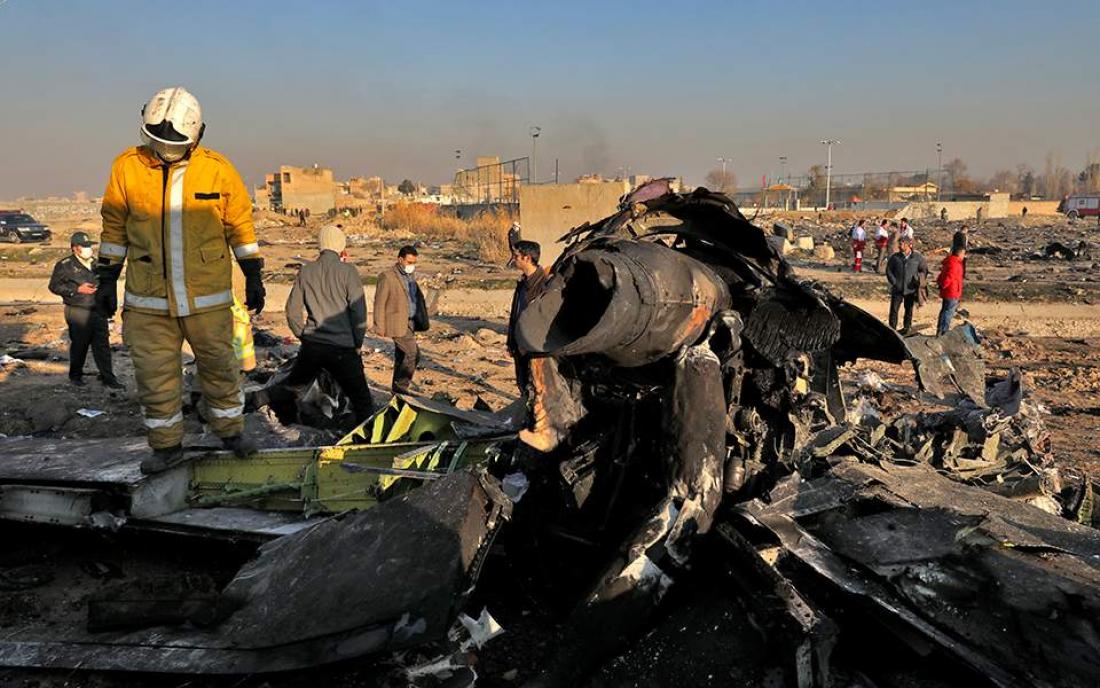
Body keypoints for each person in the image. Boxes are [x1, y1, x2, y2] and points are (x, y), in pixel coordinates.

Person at [95, 87, 265, 473]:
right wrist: (107, 278)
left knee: (220, 367)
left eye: (175, 144)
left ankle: (230, 432)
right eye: (159, 142)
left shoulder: (218, 170)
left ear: (198, 135)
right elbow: (114, 228)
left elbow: (240, 225)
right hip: (148, 300)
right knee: (155, 378)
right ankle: (166, 446)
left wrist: (253, 272)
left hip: (207, 299)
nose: (166, 150)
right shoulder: (127, 167)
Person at [284, 225, 374, 422]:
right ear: (341, 246)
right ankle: (367, 436)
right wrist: (357, 343)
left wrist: (304, 336)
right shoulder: (348, 271)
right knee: (363, 402)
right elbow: (358, 313)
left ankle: (284, 424)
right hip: (343, 348)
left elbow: (292, 312)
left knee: (292, 390)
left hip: (313, 346)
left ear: (320, 245)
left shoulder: (306, 271)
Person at [48, 231, 122, 389]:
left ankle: (108, 378)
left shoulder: (98, 263)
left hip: (98, 310)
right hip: (78, 311)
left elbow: (109, 283)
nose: (89, 249)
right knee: (80, 345)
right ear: (75, 248)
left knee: (102, 346)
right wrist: (76, 289)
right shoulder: (65, 265)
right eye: (85, 246)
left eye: (90, 246)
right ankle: (76, 376)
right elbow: (54, 286)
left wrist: (110, 306)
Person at [373, 245, 427, 394]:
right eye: (409, 262)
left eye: (414, 263)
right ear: (400, 260)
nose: (412, 266)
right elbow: (379, 303)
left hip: (410, 322)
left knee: (402, 356)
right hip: (396, 323)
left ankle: (396, 390)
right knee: (412, 354)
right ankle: (401, 388)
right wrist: (379, 326)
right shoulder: (387, 277)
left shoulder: (411, 277)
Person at [506, 240, 550, 392]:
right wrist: (511, 342)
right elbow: (515, 314)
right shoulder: (522, 282)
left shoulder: (545, 284)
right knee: (523, 384)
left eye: (516, 256)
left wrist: (529, 344)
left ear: (527, 258)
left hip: (536, 350)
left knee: (537, 389)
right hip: (520, 346)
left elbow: (544, 321)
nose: (513, 259)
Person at [885, 237, 927, 334]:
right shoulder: (895, 257)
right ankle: (892, 330)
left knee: (908, 310)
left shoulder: (917, 257)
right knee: (894, 310)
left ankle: (906, 329)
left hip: (910, 289)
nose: (900, 246)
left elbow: (923, 270)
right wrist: (894, 282)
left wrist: (919, 280)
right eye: (899, 244)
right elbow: (889, 270)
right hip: (897, 289)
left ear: (909, 245)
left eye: (902, 244)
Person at [936, 241, 966, 336]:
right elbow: (949, 277)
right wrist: (943, 285)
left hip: (949, 290)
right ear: (960, 253)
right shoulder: (955, 263)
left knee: (945, 310)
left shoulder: (950, 261)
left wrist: (941, 285)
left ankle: (940, 330)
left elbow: (942, 275)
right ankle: (943, 331)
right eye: (963, 253)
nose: (964, 256)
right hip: (952, 291)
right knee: (948, 312)